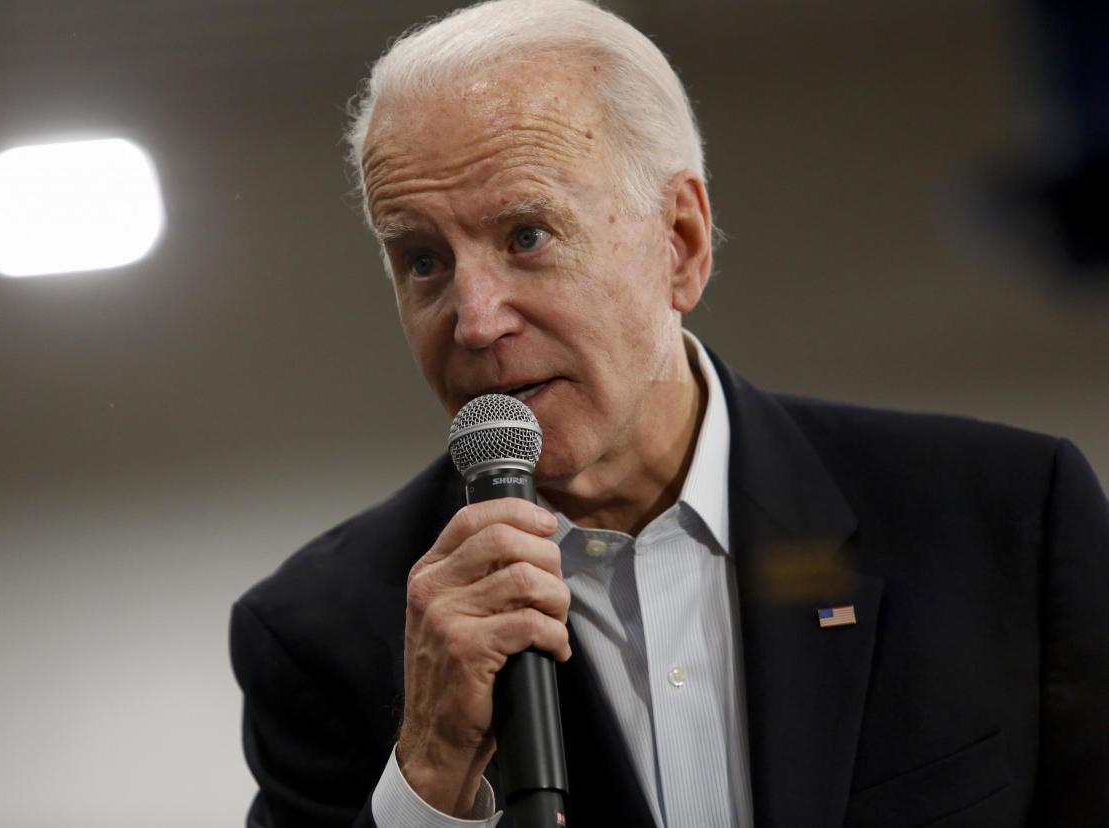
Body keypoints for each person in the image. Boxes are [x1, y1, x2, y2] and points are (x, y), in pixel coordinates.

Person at [230, 1, 1109, 825]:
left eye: (526, 236)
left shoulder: (1006, 521)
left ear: (680, 242)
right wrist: (429, 779)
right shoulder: (322, 634)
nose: (475, 318)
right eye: (422, 260)